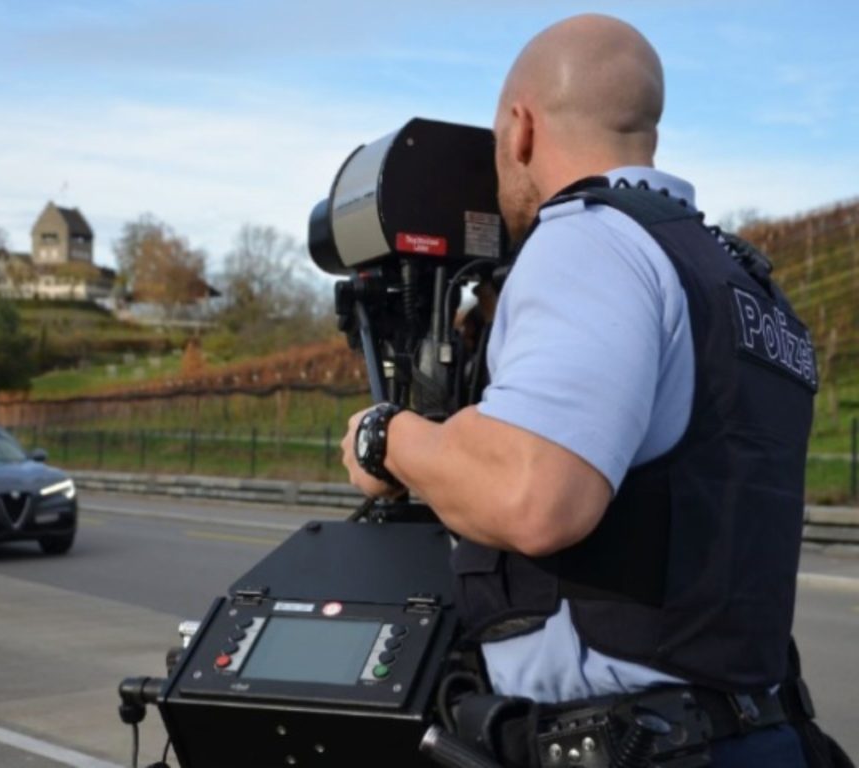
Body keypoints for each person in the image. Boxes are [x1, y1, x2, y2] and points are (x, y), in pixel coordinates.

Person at [341, 14, 816, 767]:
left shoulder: (588, 238)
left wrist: (386, 436)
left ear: (521, 129)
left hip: (630, 743)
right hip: (756, 729)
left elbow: (535, 495)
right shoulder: (740, 282)